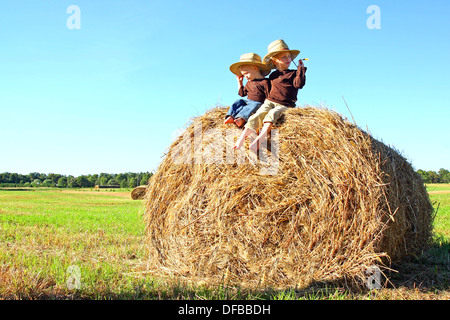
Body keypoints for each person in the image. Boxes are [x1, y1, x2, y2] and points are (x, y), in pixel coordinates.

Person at [234, 39, 307, 151]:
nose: (288, 59)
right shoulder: (273, 75)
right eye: (284, 57)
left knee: (272, 115)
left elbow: (299, 84)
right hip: (269, 101)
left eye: (289, 56)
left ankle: (260, 139)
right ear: (274, 61)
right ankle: (241, 139)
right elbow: (265, 90)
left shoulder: (293, 74)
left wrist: (300, 70)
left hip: (284, 105)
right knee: (256, 116)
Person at [225, 53, 271, 128]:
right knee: (239, 101)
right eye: (243, 75)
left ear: (255, 68)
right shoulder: (249, 82)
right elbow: (242, 94)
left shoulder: (265, 82)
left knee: (253, 105)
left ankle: (241, 118)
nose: (245, 76)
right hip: (248, 102)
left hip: (258, 103)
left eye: (246, 73)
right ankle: (231, 116)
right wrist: (240, 82)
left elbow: (269, 95)